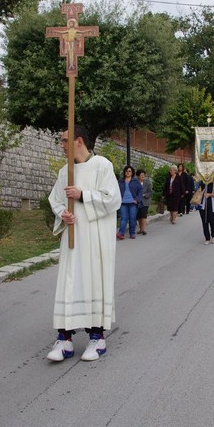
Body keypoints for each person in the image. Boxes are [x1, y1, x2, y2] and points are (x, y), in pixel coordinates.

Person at [47, 125, 121, 362]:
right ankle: (65, 340)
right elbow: (56, 199)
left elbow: (113, 199)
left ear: (79, 141)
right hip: (73, 239)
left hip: (95, 240)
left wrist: (83, 195)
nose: (61, 144)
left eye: (64, 140)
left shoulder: (102, 166)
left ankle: (97, 338)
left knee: (93, 281)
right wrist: (63, 214)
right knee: (69, 282)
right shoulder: (64, 172)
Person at [117, 165, 142, 239]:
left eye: (129, 171)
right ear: (124, 172)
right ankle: (121, 233)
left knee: (132, 219)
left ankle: (132, 233)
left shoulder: (135, 181)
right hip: (123, 203)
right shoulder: (120, 181)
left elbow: (140, 190)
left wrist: (137, 199)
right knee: (123, 218)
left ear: (132, 173)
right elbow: (116, 190)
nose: (128, 172)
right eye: (126, 171)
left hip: (132, 203)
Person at [197, 178, 214, 244]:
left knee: (212, 220)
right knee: (204, 221)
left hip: (212, 204)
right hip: (203, 205)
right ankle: (207, 238)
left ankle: (213, 235)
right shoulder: (202, 181)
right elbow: (197, 190)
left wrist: (209, 195)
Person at [136, 168, 153, 235]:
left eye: (144, 175)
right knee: (139, 216)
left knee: (143, 215)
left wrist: (145, 195)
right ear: (138, 176)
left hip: (145, 201)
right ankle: (140, 229)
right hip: (137, 201)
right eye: (141, 175)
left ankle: (143, 229)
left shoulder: (147, 182)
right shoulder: (135, 182)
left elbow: (150, 192)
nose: (143, 176)